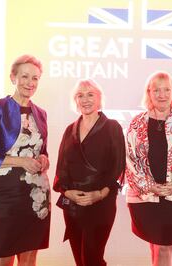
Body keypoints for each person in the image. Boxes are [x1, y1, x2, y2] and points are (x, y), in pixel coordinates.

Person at [0, 54, 50, 266]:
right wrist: (21, 162)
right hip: (4, 196)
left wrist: (43, 159)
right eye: (25, 76)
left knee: (29, 260)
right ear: (13, 77)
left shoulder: (41, 114)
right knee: (1, 259)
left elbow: (43, 151)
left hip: (36, 195)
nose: (30, 83)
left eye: (35, 78)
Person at [126, 71, 172, 266]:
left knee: (164, 247)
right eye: (156, 90)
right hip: (147, 196)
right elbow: (129, 160)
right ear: (148, 93)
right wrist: (149, 185)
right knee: (156, 246)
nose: (162, 94)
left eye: (166, 89)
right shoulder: (137, 123)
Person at [53, 79, 125, 266]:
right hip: (73, 205)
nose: (85, 99)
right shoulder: (70, 129)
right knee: (80, 261)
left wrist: (99, 194)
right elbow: (62, 167)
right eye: (80, 95)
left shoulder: (112, 127)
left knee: (92, 259)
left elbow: (118, 167)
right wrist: (67, 192)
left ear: (100, 99)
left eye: (90, 94)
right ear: (75, 101)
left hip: (100, 204)